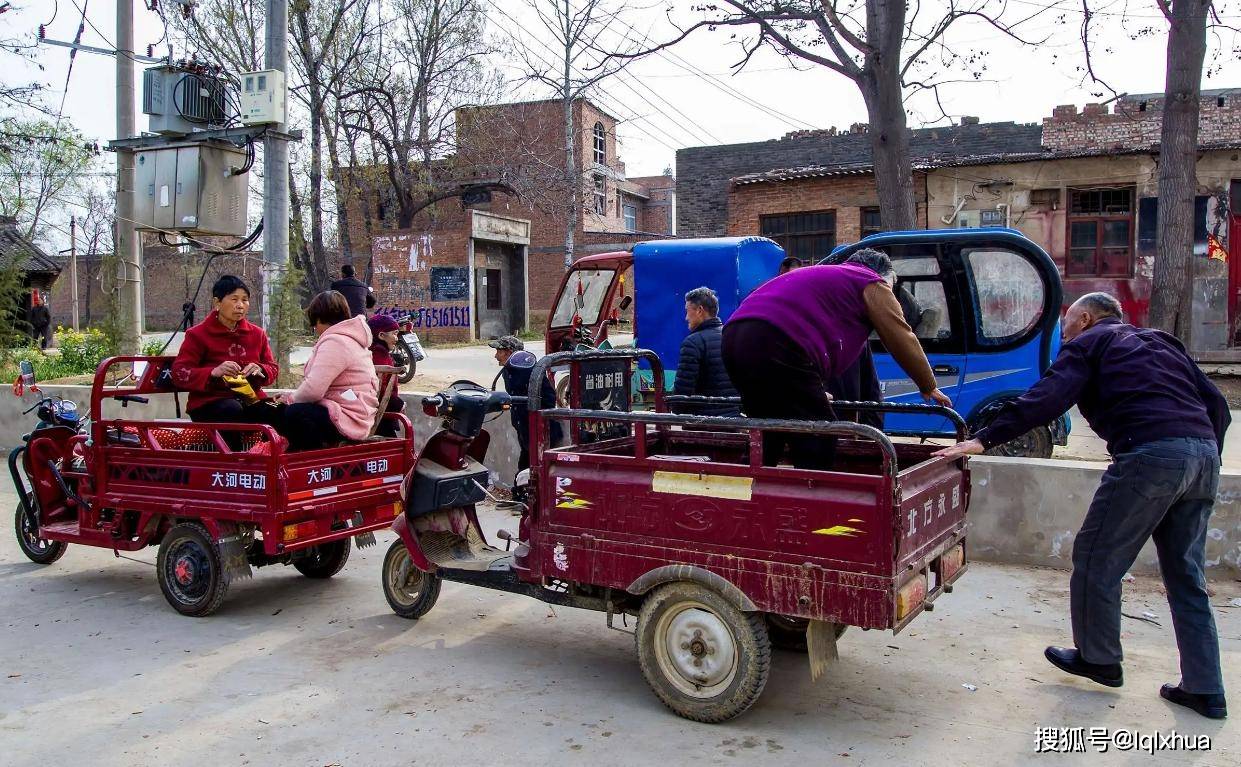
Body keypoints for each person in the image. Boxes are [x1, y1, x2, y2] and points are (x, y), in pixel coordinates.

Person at [934, 293, 1229, 719]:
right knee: (1187, 576)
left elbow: (1048, 398)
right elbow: (1218, 406)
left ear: (1085, 319)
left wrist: (984, 437)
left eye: (1066, 325)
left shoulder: (1090, 344)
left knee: (1096, 558)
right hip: (1202, 458)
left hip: (1148, 456)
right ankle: (1206, 689)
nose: (1064, 334)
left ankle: (1100, 658)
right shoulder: (1164, 343)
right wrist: (1202, 455)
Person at [722, 248, 950, 470]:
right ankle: (811, 499)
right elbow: (900, 335)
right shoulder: (869, 281)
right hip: (777, 342)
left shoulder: (827, 280)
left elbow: (813, 336)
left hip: (735, 338)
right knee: (821, 433)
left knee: (769, 429)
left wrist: (816, 388)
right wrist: (927, 384)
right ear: (884, 278)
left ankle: (748, 493)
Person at [171, 275, 282, 446]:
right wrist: (213, 372)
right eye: (234, 299)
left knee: (281, 412)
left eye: (245, 300)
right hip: (209, 403)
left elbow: (272, 368)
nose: (240, 305)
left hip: (249, 399)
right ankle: (235, 465)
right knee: (231, 410)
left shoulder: (257, 333)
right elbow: (180, 372)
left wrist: (260, 369)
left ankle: (270, 463)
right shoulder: (197, 335)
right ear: (217, 303)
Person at [281, 291, 379, 451]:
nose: (315, 328)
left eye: (314, 323)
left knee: (294, 413)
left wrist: (290, 399)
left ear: (319, 319)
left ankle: (306, 463)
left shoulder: (335, 341)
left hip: (347, 416)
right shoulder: (349, 338)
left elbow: (313, 389)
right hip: (355, 410)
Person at [490, 336, 562, 478]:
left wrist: (538, 420)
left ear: (509, 352)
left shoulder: (531, 371)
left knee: (535, 471)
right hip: (524, 430)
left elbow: (549, 398)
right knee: (524, 469)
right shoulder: (507, 371)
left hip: (539, 432)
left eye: (499, 351)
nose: (496, 355)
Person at [672, 287, 739, 416]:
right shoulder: (732, 336)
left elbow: (683, 391)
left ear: (699, 310)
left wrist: (677, 413)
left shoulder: (693, 343)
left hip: (704, 422)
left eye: (687, 311)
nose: (686, 317)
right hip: (734, 419)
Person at [367, 313, 407, 438]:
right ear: (381, 335)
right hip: (379, 409)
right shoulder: (378, 355)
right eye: (394, 334)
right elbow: (381, 387)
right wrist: (398, 404)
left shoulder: (376, 352)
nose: (397, 338)